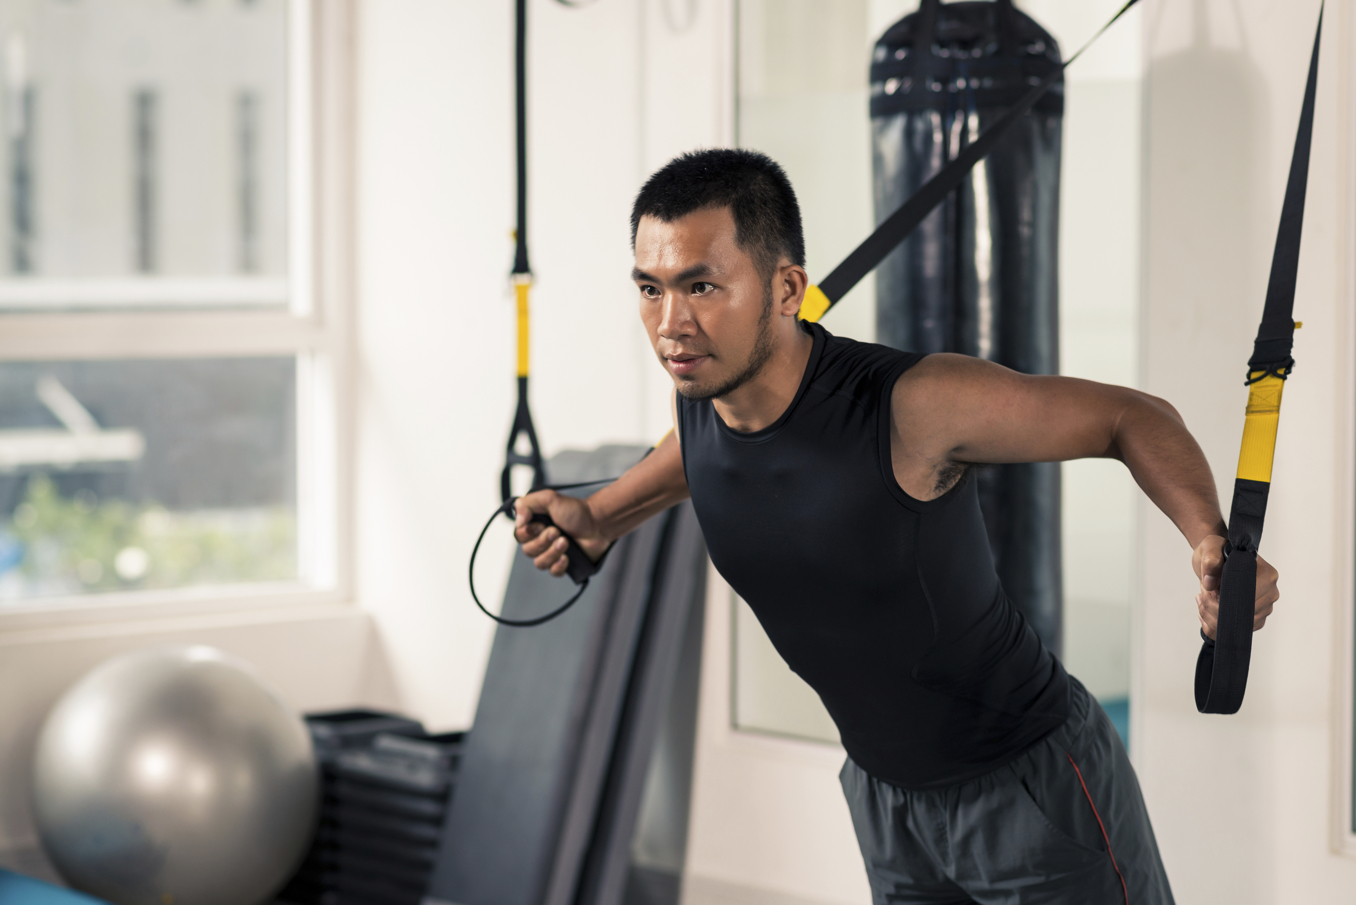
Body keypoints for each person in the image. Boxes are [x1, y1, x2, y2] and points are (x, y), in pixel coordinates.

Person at [511, 149, 1278, 904]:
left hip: (1032, 789)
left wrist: (1210, 538)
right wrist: (601, 515)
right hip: (885, 801)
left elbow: (1128, 417)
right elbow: (704, 458)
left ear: (786, 289)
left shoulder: (909, 407)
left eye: (702, 286)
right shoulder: (703, 393)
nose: (671, 324)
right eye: (651, 288)